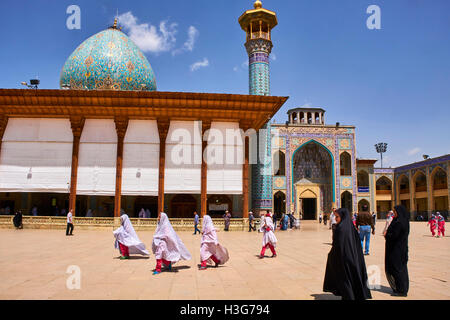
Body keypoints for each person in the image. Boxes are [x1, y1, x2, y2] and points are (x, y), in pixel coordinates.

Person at [323, 208, 372, 300]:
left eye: (337, 217)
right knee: (350, 278)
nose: (336, 219)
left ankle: (349, 296)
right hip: (351, 258)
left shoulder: (341, 228)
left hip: (343, 259)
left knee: (345, 279)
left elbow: (339, 246)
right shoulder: (350, 227)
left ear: (342, 216)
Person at [384, 205, 410, 297]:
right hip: (399, 249)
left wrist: (387, 235)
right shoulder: (401, 221)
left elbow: (394, 236)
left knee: (397, 269)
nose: (393, 213)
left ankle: (401, 290)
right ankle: (402, 288)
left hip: (397, 250)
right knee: (401, 269)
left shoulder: (399, 223)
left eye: (395, 212)